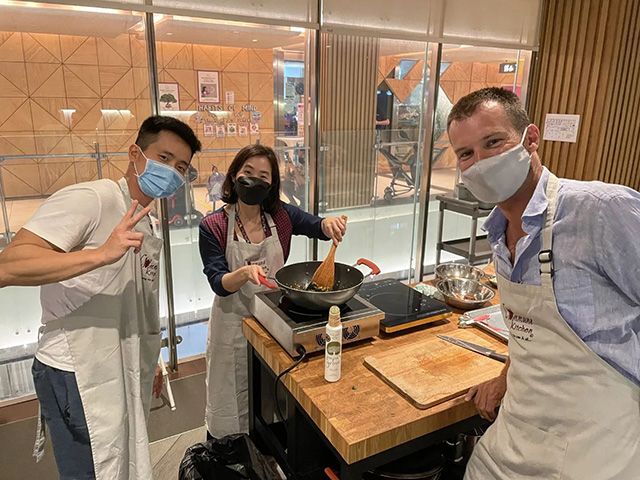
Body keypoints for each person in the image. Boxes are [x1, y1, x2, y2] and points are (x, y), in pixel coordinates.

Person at [446, 87, 640, 479]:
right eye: (466, 154)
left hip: (595, 451)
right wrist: (504, 377)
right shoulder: (498, 234)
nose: (480, 163)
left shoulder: (599, 212)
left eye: (493, 142)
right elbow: (532, 335)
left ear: (530, 139)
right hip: (514, 439)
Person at [0, 116, 202, 480]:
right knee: (91, 471)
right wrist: (100, 254)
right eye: (165, 158)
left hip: (121, 363)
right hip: (77, 369)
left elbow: (135, 298)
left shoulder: (144, 219)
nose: (171, 171)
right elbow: (9, 265)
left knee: (119, 461)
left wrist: (150, 357)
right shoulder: (93, 198)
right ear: (135, 153)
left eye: (181, 167)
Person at [199, 144, 346, 439]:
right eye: (247, 172)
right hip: (232, 322)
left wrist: (328, 224)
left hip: (273, 321)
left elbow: (315, 225)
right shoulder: (213, 225)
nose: (254, 180)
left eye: (263, 176)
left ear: (271, 184)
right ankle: (229, 450)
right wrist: (242, 273)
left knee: (271, 395)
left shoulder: (280, 216)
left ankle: (268, 449)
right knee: (232, 392)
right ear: (234, 176)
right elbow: (218, 282)